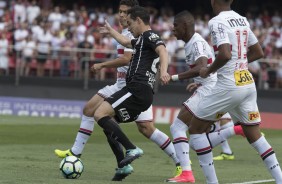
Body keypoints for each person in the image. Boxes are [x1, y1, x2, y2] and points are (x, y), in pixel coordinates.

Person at [55, 2, 177, 181]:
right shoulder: (140, 38)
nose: (126, 22)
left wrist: (165, 71)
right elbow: (127, 41)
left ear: (137, 19)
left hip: (136, 88)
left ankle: (133, 149)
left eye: (129, 19)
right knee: (107, 121)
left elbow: (163, 51)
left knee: (101, 114)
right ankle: (123, 163)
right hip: (136, 89)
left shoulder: (150, 35)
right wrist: (111, 31)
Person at [187, 0, 282, 183]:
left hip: (228, 84)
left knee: (196, 131)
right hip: (246, 82)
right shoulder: (242, 20)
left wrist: (208, 70)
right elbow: (258, 51)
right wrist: (240, 65)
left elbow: (224, 54)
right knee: (254, 135)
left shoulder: (216, 21)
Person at [165, 11, 244, 183]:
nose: (173, 29)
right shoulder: (190, 43)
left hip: (210, 89)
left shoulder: (196, 43)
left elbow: (201, 66)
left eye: (176, 25)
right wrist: (199, 82)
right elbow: (204, 68)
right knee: (196, 140)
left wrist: (173, 77)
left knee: (177, 127)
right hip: (207, 86)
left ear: (185, 25)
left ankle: (186, 173)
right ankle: (237, 129)